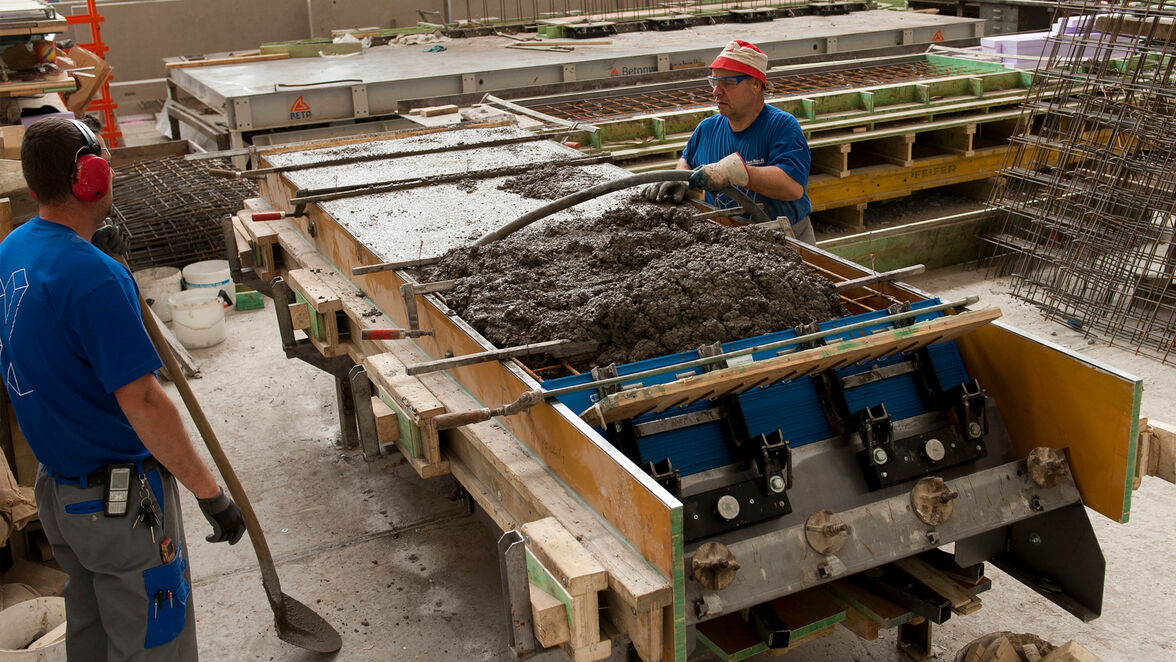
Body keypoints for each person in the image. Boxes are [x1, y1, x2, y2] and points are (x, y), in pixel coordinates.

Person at [0, 117, 246, 662]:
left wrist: (97, 256)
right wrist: (211, 494)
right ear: (90, 176)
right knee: (154, 641)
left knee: (92, 630)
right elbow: (144, 401)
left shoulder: (14, 248)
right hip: (119, 504)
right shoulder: (93, 278)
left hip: (60, 493)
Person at [643, 39, 815, 244]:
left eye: (727, 83)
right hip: (728, 240)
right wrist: (682, 179)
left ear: (755, 84)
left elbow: (792, 187)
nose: (716, 91)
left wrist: (738, 172)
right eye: (714, 82)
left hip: (785, 239)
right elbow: (687, 160)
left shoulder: (782, 127)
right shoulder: (707, 129)